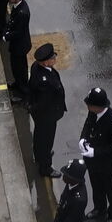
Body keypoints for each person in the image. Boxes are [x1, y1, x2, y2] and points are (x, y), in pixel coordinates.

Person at [79, 86, 112, 222]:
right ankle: (100, 208)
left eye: (90, 105)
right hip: (92, 161)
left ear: (98, 107)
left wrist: (95, 152)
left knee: (110, 189)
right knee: (96, 185)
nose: (88, 107)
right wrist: (83, 139)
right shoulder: (93, 112)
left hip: (106, 163)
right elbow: (88, 125)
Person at [26, 42, 67, 178]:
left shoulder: (36, 67)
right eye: (52, 58)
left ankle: (39, 155)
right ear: (45, 62)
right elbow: (44, 102)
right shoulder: (45, 82)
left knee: (39, 136)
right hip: (47, 116)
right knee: (46, 140)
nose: (55, 58)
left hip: (39, 114)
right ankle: (45, 167)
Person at [4, 0, 31, 97]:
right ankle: (17, 83)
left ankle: (22, 91)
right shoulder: (17, 7)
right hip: (17, 45)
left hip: (20, 46)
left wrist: (7, 36)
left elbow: (19, 32)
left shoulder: (22, 12)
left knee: (20, 69)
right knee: (15, 67)